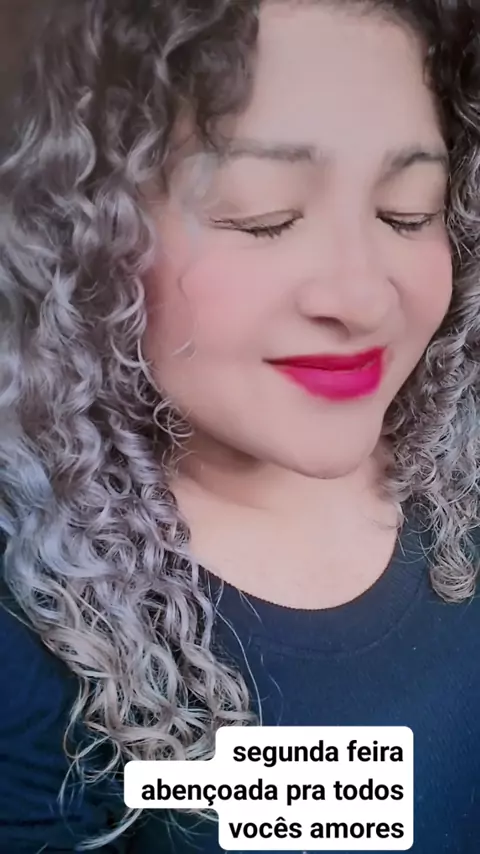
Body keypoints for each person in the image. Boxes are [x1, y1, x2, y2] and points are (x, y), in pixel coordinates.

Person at [0, 0, 480, 851]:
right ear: (85, 236)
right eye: (264, 217)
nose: (363, 299)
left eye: (408, 212)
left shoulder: (463, 461)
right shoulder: (29, 632)